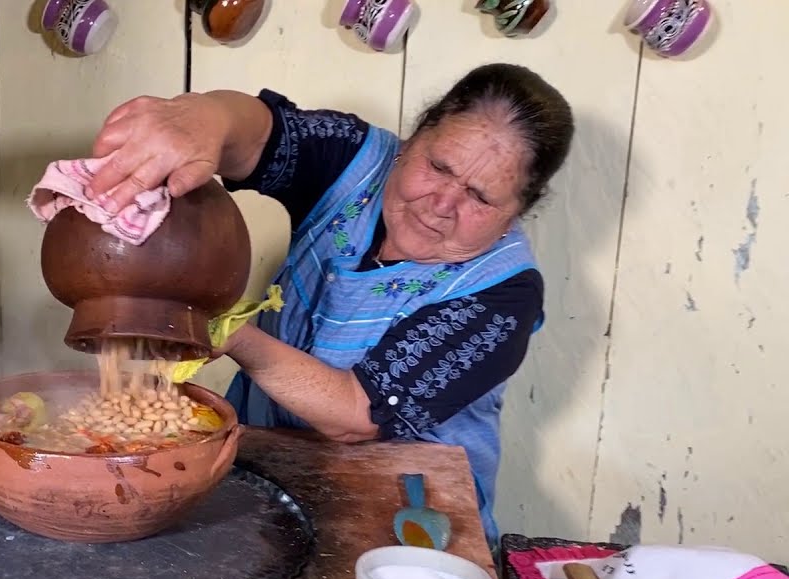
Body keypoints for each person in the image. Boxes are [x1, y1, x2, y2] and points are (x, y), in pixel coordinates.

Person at [83, 63, 574, 549]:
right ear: (415, 138)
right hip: (264, 480)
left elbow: (356, 414)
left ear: (518, 211)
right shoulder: (359, 160)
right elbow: (257, 137)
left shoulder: (505, 296)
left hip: (409, 523)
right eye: (438, 166)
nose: (441, 204)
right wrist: (206, 118)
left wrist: (226, 332)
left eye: (480, 197)